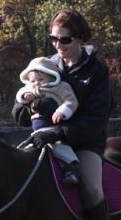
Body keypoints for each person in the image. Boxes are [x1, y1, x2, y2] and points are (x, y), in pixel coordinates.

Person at [0, 8, 117, 220]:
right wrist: (26, 106)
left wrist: (59, 131)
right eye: (53, 38)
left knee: (92, 189)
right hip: (42, 137)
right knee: (12, 180)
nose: (58, 45)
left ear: (79, 38)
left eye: (64, 39)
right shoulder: (47, 65)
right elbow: (20, 108)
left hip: (84, 143)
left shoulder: (96, 71)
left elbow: (96, 120)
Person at [16, 56, 80, 184]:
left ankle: (71, 168)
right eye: (33, 80)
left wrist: (62, 111)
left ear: (52, 77)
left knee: (60, 148)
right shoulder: (30, 89)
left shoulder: (60, 87)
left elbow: (71, 101)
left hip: (55, 128)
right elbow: (20, 94)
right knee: (27, 149)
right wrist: (25, 96)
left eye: (40, 79)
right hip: (36, 132)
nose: (36, 83)